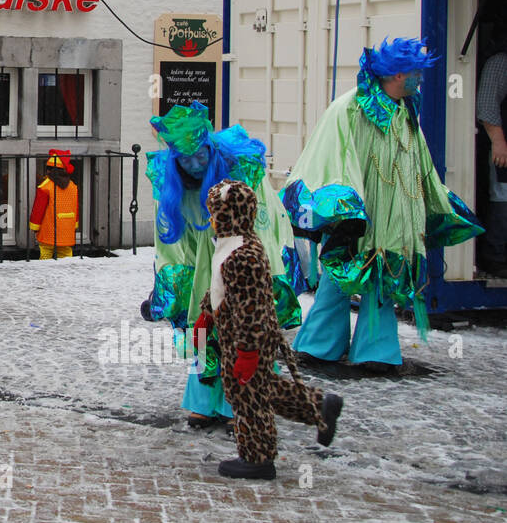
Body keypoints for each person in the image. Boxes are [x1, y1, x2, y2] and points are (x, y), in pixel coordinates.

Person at [287, 38, 483, 370]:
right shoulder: (350, 108)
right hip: (357, 218)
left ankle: (374, 352)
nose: (419, 79)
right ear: (395, 75)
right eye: (415, 73)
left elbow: (420, 161)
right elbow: (328, 155)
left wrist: (434, 204)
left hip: (394, 221)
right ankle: (319, 346)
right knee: (340, 276)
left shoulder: (406, 110)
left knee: (384, 278)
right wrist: (344, 210)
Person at [139, 101, 300, 428]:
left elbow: (263, 226)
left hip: (241, 263)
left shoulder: (238, 175)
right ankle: (203, 401)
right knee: (204, 329)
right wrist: (171, 284)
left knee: (243, 331)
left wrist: (260, 274)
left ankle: (241, 404)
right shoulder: (175, 187)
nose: (196, 165)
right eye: (186, 160)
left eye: (201, 156)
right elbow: (171, 242)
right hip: (204, 271)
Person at [197, 179, 343, 480]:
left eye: (215, 213)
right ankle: (319, 407)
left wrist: (247, 352)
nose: (210, 219)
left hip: (247, 339)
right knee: (263, 388)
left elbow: (251, 306)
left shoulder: (243, 255)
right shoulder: (229, 247)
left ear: (228, 215)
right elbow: (221, 288)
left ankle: (257, 458)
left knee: (247, 394)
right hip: (235, 336)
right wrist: (208, 314)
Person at [476, 25, 507, 276]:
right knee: (503, 199)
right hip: (504, 146)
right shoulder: (500, 62)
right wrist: (498, 141)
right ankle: (495, 258)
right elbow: (486, 103)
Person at [29, 149, 79, 259]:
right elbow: (75, 208)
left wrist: (35, 226)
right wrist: (74, 224)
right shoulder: (72, 186)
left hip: (49, 228)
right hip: (67, 229)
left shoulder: (46, 186)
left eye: (48, 169)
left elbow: (39, 209)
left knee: (46, 253)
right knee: (66, 255)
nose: (47, 171)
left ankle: (44, 274)